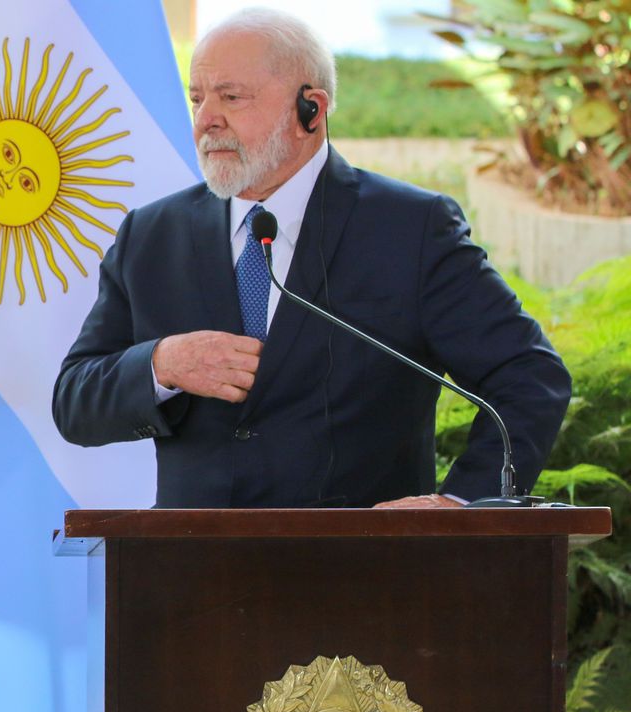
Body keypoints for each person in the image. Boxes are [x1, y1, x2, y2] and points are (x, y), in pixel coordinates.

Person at [51, 8, 570, 509]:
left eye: (231, 97)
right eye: (197, 99)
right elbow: (75, 401)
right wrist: (162, 364)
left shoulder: (411, 229)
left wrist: (459, 504)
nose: (206, 120)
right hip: (189, 559)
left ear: (311, 110)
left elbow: (529, 377)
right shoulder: (151, 235)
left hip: (361, 560)